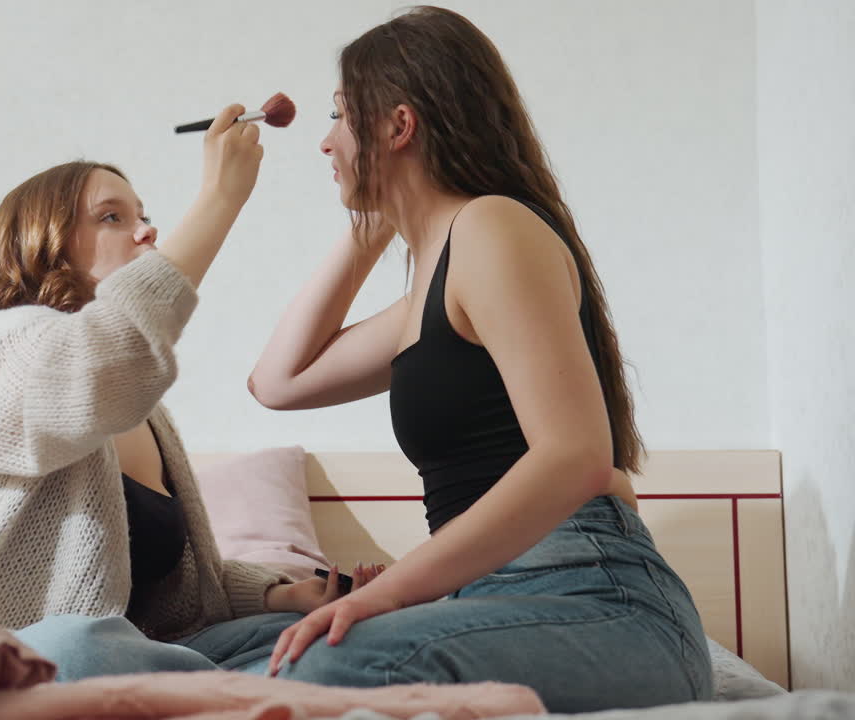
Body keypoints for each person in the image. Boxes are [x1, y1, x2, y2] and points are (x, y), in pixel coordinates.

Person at [245, 6, 713, 712]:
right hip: (491, 596)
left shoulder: (493, 229)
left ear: (398, 127)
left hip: (590, 593)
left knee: (316, 668)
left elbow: (575, 457)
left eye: (340, 117)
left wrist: (396, 593)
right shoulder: (436, 277)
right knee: (215, 651)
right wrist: (375, 221)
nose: (324, 143)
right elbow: (278, 381)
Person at [0, 105, 360, 679]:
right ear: (46, 241)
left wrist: (286, 596)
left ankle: (230, 689)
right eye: (112, 217)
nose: (147, 230)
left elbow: (182, 595)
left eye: (143, 214)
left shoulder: (145, 412)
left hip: (133, 654)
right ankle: (225, 692)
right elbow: (108, 357)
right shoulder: (0, 342)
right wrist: (220, 198)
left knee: (327, 636)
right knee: (79, 642)